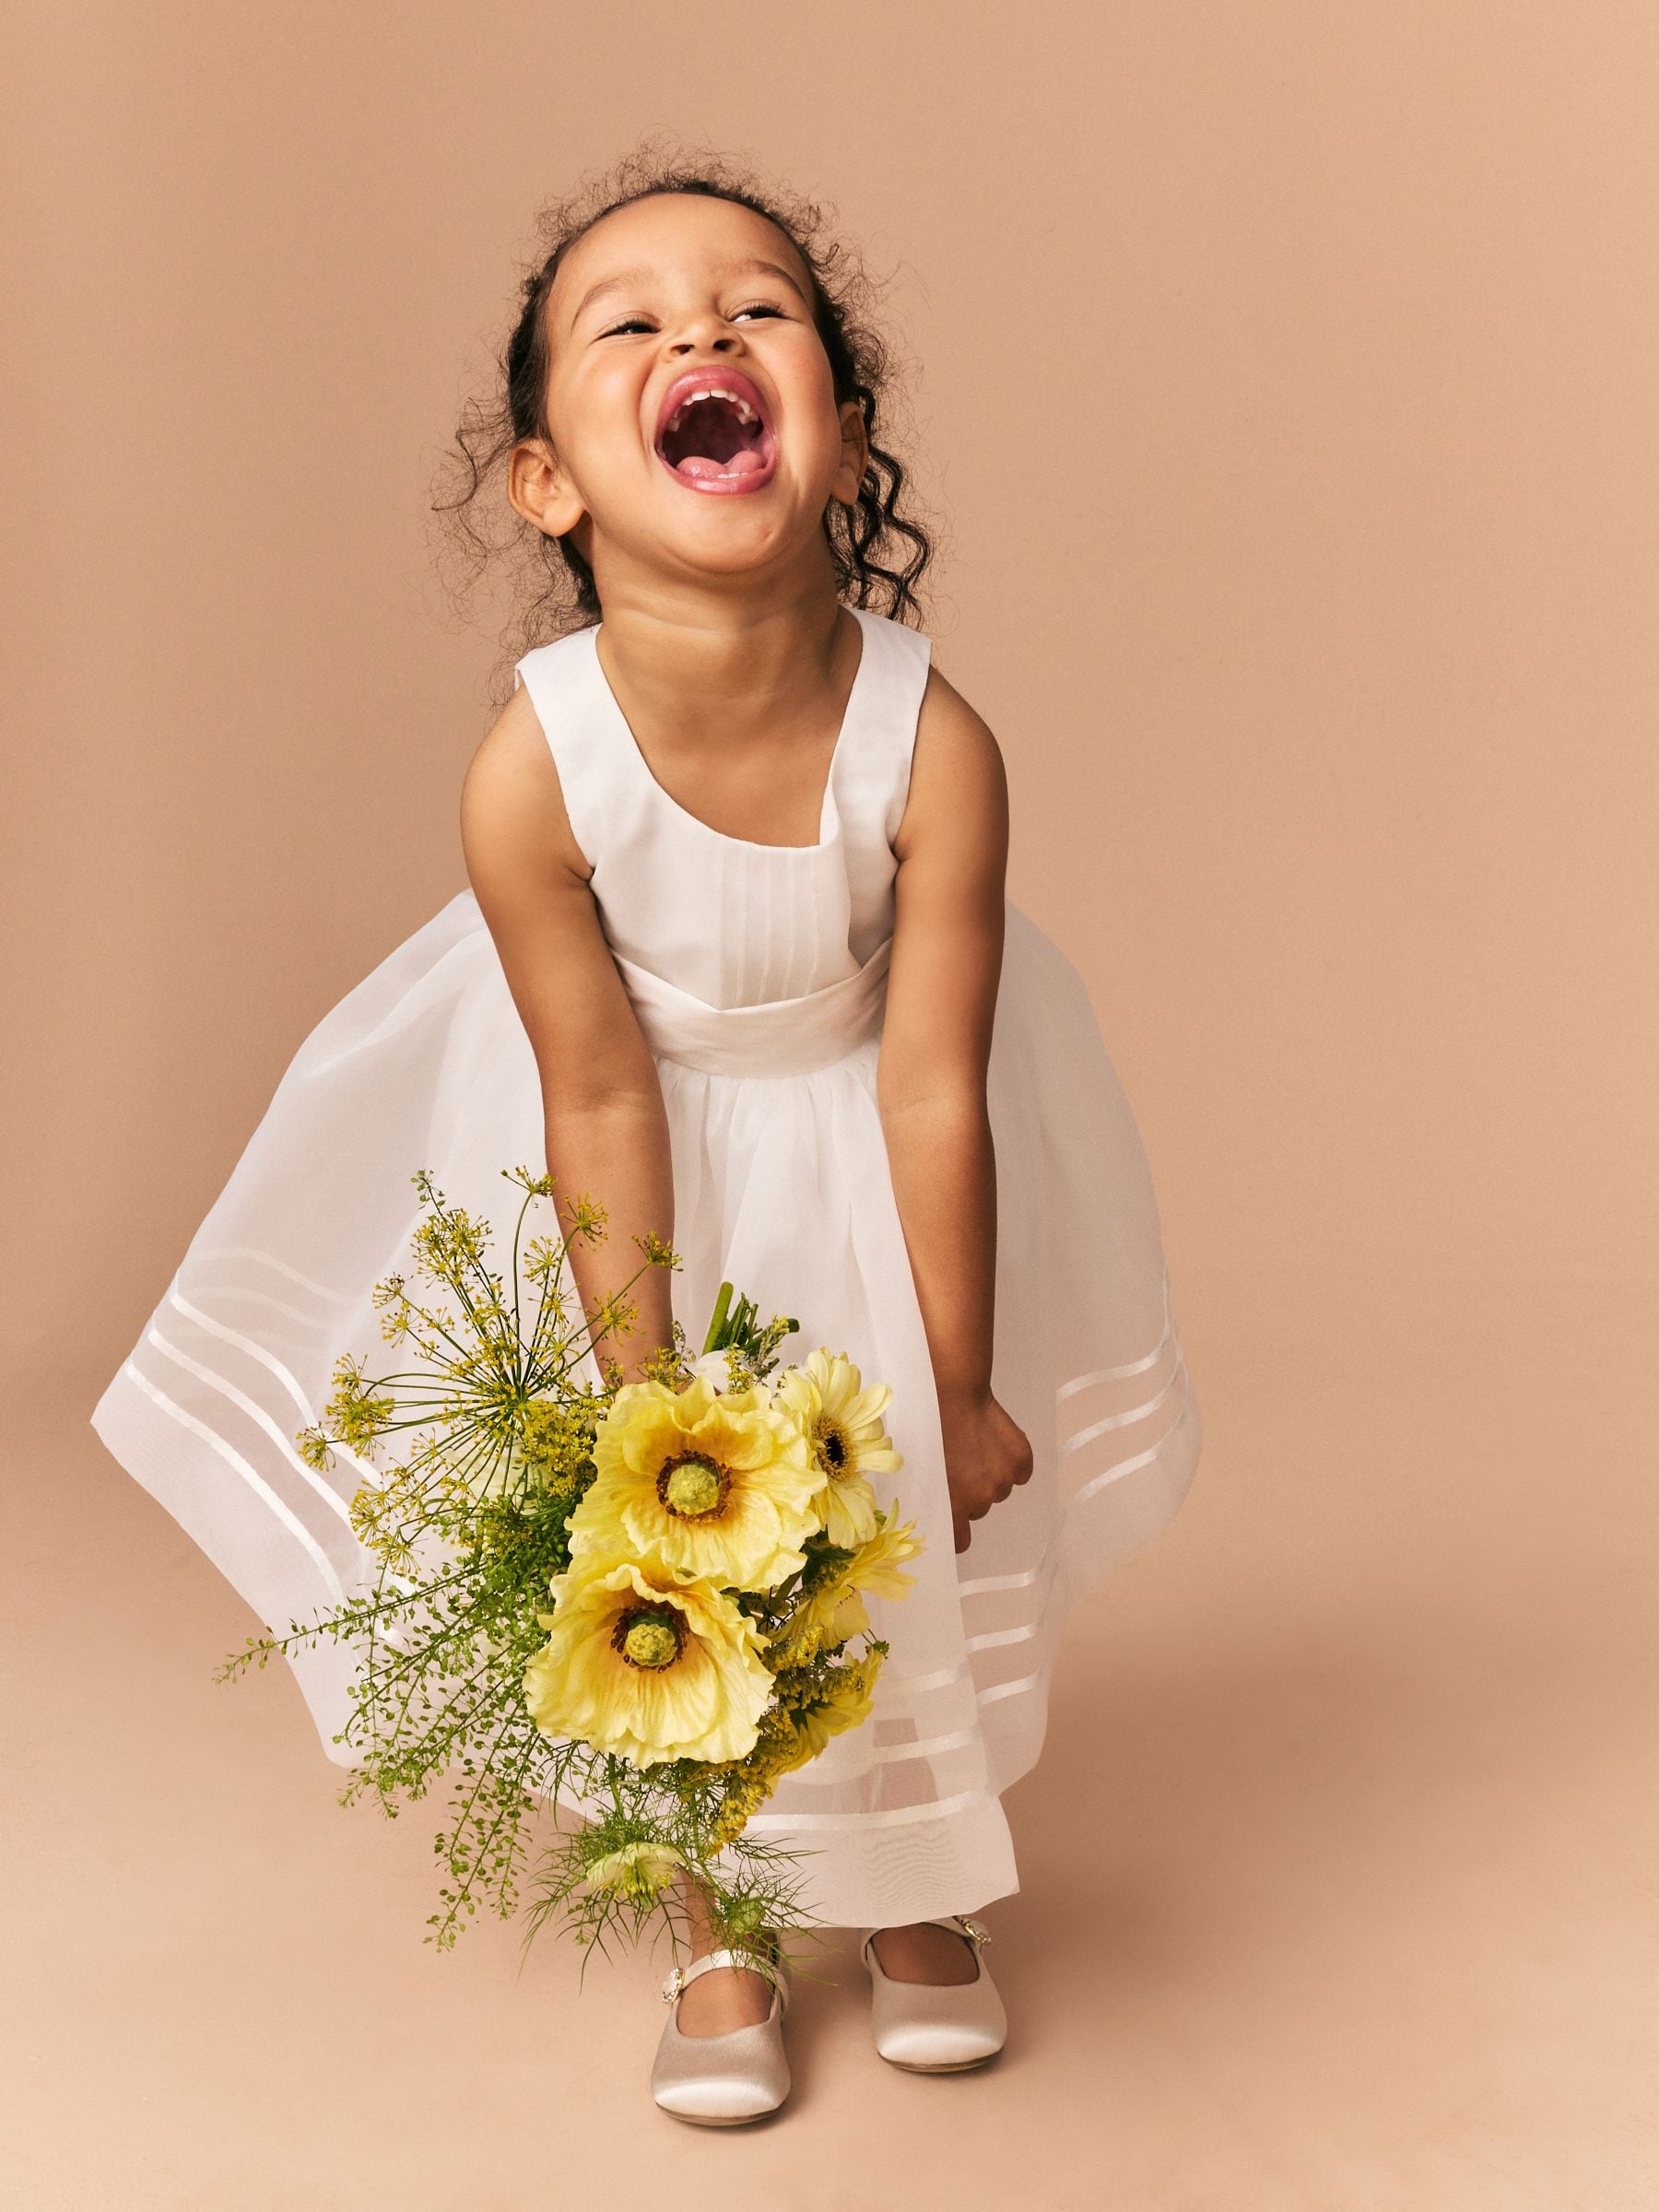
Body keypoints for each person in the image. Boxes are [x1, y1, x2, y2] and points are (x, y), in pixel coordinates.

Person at [90, 145, 1204, 2126]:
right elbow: (596, 1084)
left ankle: (921, 1896)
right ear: (549, 480)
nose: (704, 326)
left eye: (760, 305)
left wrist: (952, 1378)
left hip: (875, 1160)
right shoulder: (538, 769)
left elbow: (936, 1072)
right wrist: (638, 1402)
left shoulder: (935, 744)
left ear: (841, 441)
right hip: (631, 1178)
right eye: (634, 320)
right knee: (665, 1582)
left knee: (879, 1551)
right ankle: (713, 1919)